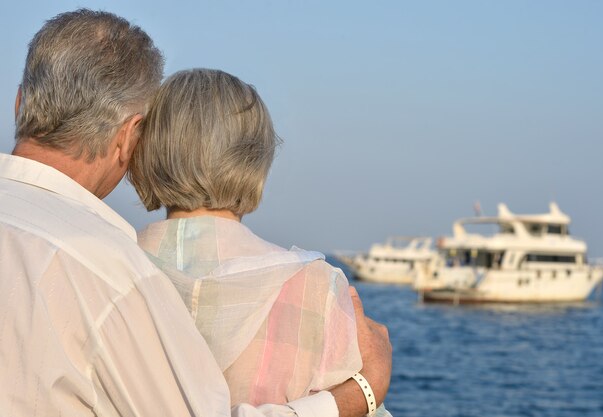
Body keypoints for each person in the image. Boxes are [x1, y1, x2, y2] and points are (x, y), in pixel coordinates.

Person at [0, 9, 392, 417]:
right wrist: (365, 390)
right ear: (128, 138)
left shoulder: (123, 258)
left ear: (18, 103)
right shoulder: (114, 272)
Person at [128, 69, 390, 417]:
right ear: (255, 160)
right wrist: (369, 390)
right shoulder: (316, 287)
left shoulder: (103, 265)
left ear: (148, 150)